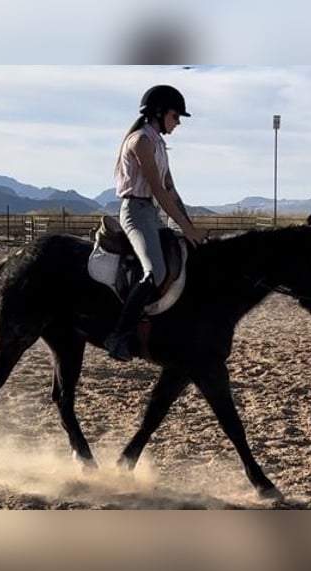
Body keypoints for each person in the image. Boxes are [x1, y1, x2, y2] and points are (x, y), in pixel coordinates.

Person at [104, 84, 205, 362]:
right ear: (159, 112)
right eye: (175, 116)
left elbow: (171, 189)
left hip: (152, 213)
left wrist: (188, 224)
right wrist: (184, 226)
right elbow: (158, 190)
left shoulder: (160, 145)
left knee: (183, 254)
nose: (178, 122)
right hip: (135, 212)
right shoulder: (140, 142)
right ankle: (119, 334)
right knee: (155, 271)